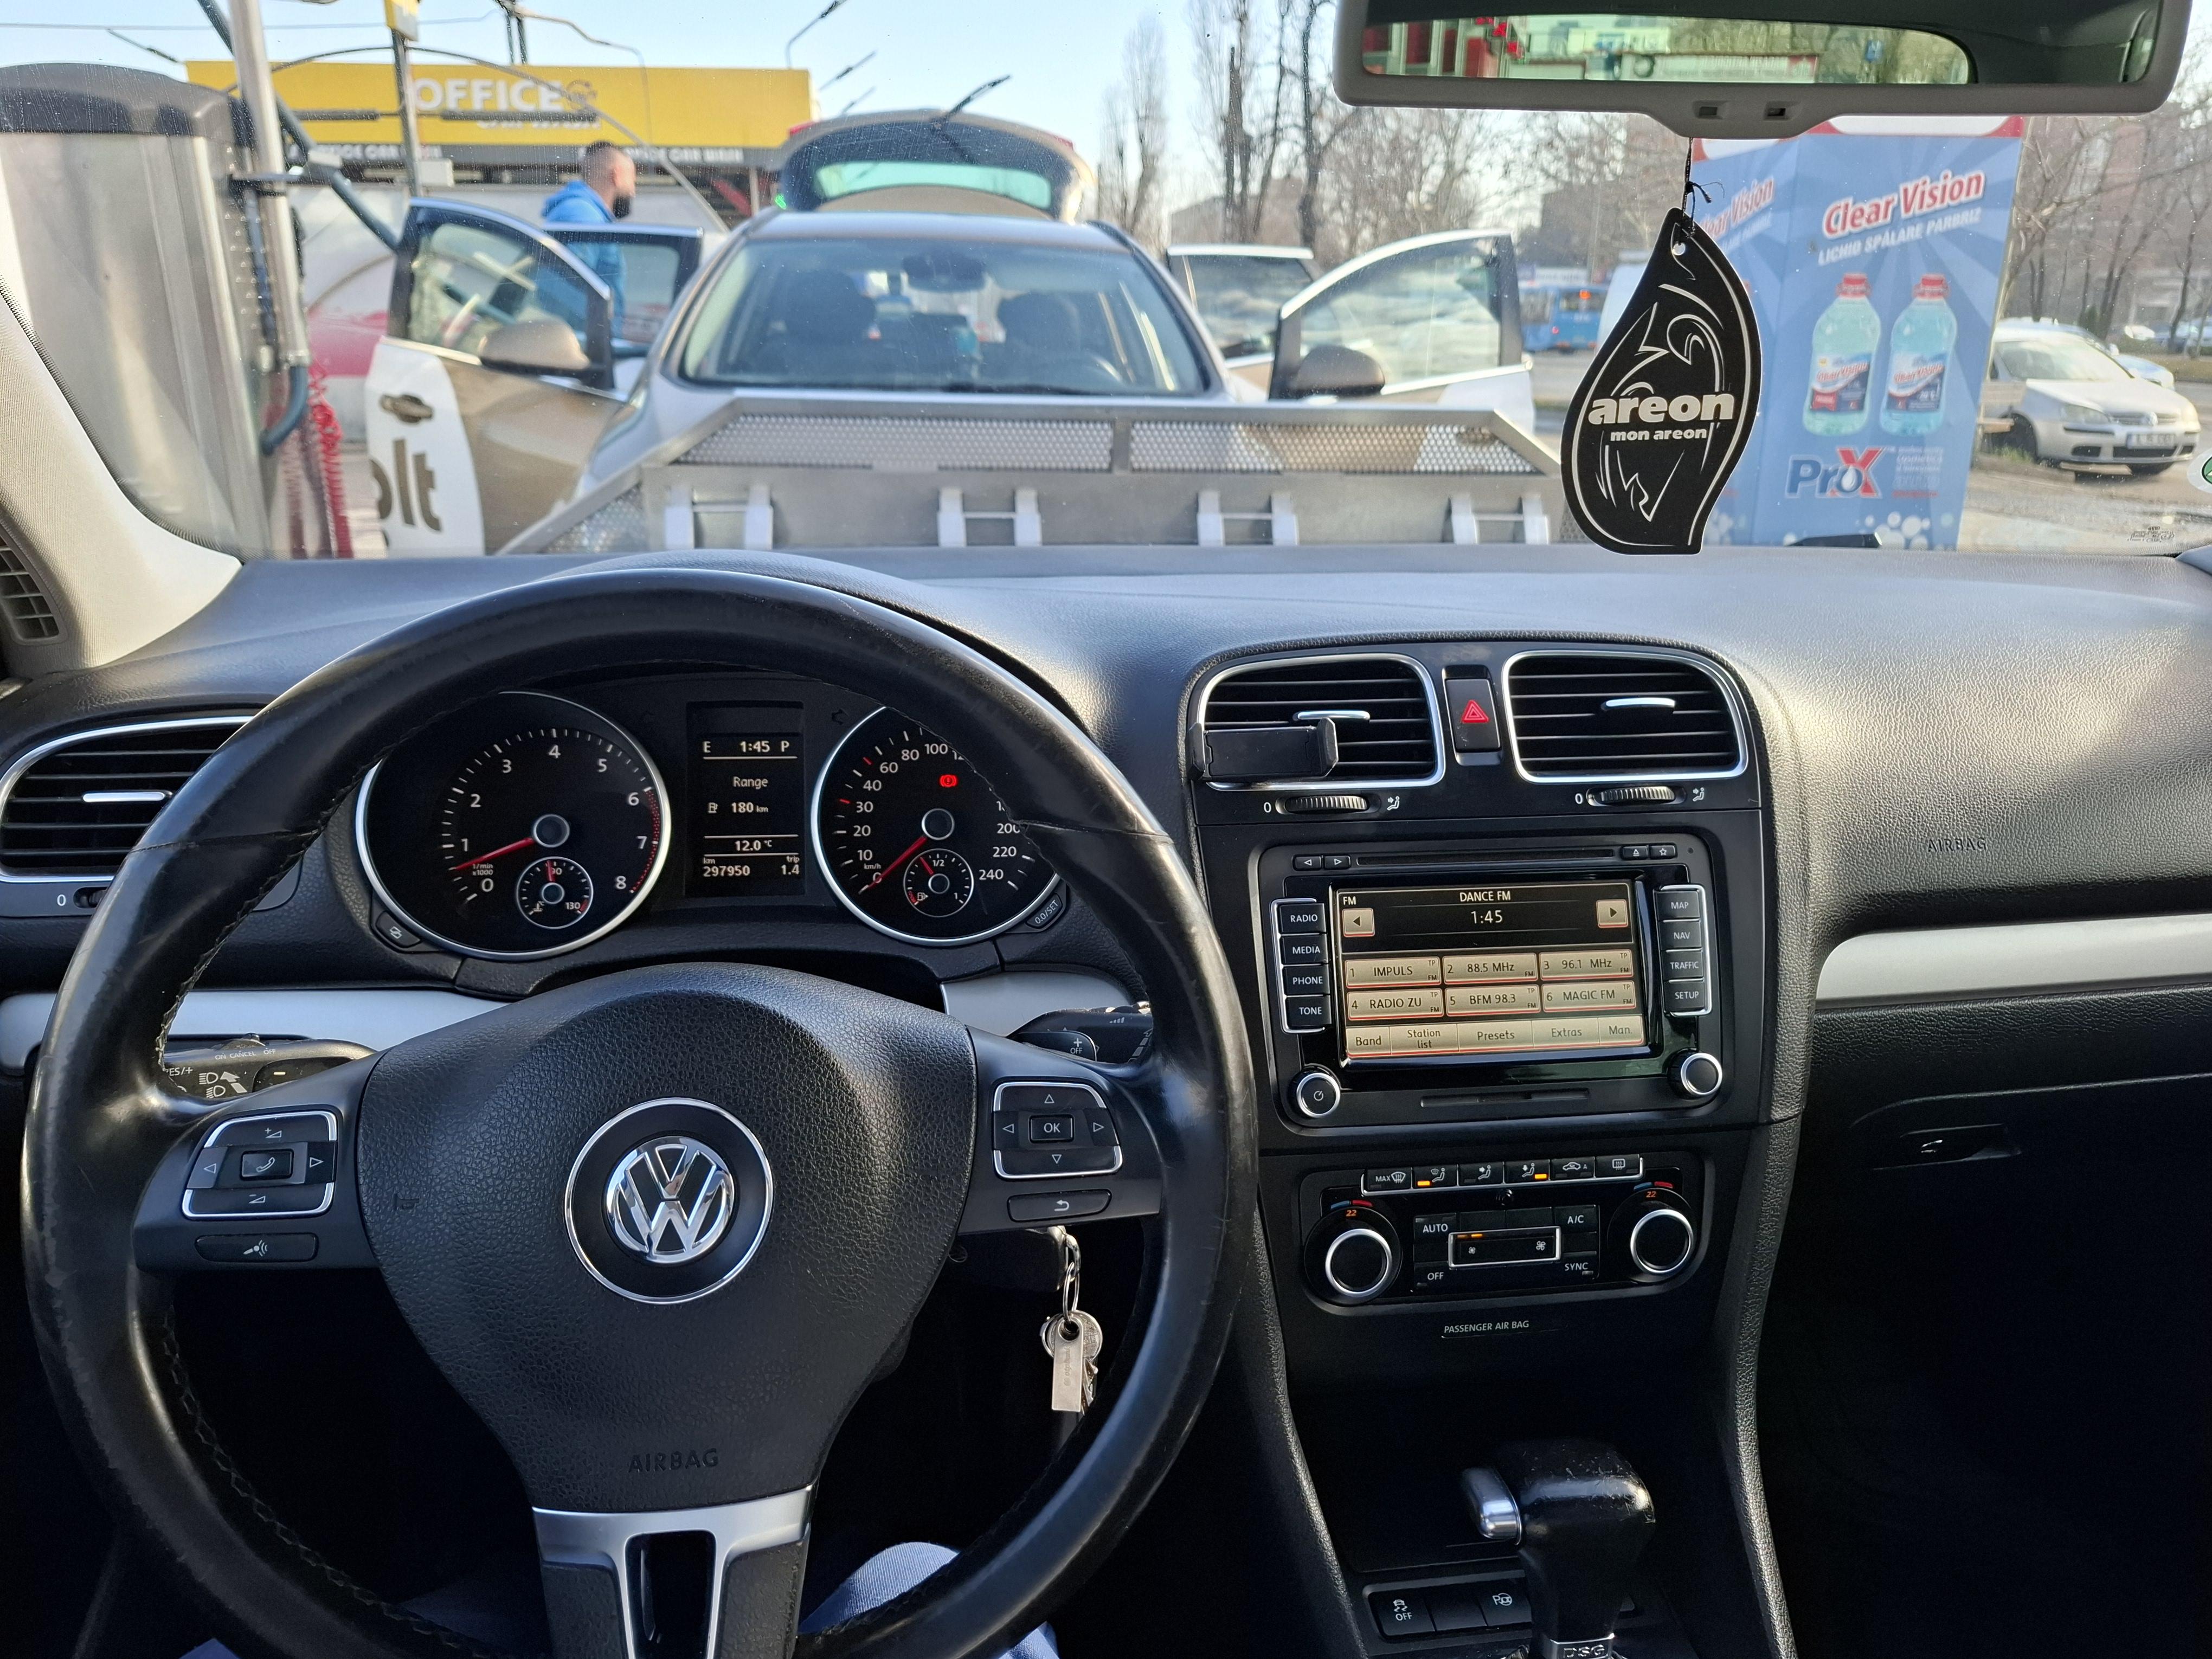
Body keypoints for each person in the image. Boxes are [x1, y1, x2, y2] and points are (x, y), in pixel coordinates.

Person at [543, 140, 635, 330]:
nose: (633, 191)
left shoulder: (586, 214)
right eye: (633, 181)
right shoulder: (584, 217)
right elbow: (567, 290)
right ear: (617, 175)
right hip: (587, 340)